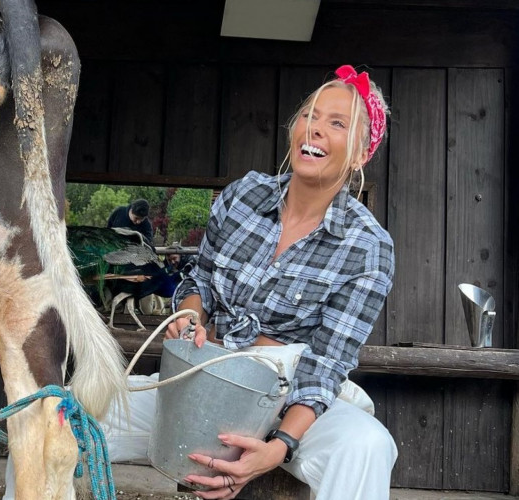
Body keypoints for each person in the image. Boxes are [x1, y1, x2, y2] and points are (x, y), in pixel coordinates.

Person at [164, 65, 396, 500]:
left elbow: (327, 363)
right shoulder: (242, 197)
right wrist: (190, 315)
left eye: (337, 122)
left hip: (289, 400)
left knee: (366, 445)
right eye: (310, 114)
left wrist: (279, 446)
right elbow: (201, 280)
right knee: (69, 412)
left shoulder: (368, 247)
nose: (315, 128)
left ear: (361, 153)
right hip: (206, 376)